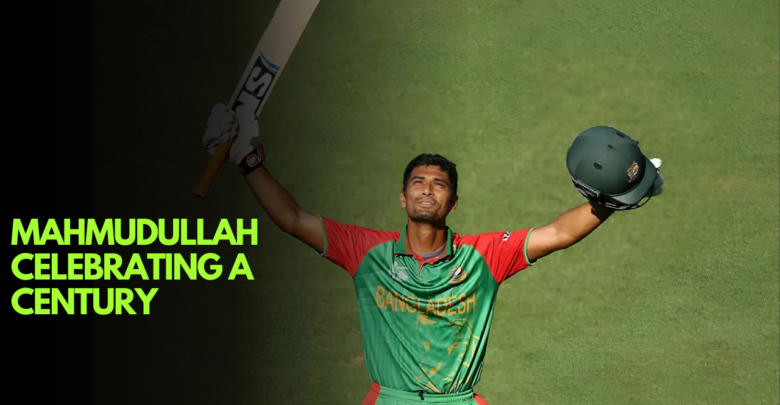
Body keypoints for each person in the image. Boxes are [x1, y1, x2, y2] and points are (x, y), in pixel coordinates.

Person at [202, 104, 664, 405]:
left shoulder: (484, 257)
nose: (428, 189)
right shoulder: (367, 252)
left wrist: (611, 197)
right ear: (403, 199)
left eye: (439, 184)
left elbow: (559, 232)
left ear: (453, 203)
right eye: (418, 183)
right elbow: (292, 218)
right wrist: (247, 160)